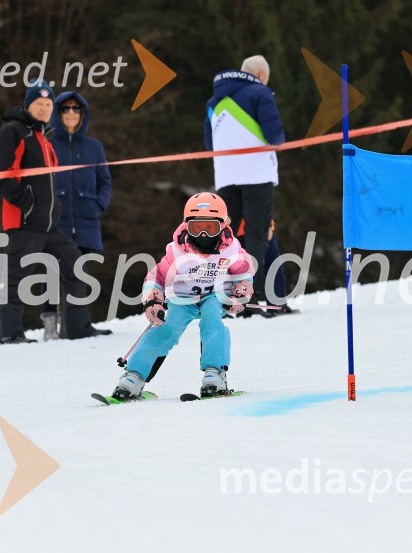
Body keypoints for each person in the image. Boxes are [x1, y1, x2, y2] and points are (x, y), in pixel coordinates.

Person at [0, 80, 108, 344]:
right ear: (28, 105)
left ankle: (78, 327)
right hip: (23, 222)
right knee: (16, 277)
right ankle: (10, 333)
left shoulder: (43, 137)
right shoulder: (14, 131)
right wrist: (29, 204)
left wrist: (49, 210)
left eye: (47, 104)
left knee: (75, 265)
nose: (44, 109)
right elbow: (2, 177)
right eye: (38, 104)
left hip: (48, 226)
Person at [110, 192, 254, 400]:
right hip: (182, 298)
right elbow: (156, 276)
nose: (203, 234)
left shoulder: (232, 250)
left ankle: (215, 374)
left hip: (214, 296)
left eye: (210, 227)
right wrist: (153, 301)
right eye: (197, 227)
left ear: (222, 225)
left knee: (212, 320)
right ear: (187, 226)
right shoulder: (177, 251)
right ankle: (133, 377)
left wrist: (239, 294)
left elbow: (245, 275)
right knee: (166, 328)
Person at [205, 54, 285, 314]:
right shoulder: (259, 94)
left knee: (226, 239)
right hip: (257, 175)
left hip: (226, 177)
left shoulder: (214, 101)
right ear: (261, 75)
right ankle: (251, 301)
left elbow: (209, 144)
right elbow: (275, 135)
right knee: (256, 238)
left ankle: (226, 300)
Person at [40, 91, 113, 340]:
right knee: (50, 270)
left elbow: (105, 182)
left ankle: (76, 325)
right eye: (65, 108)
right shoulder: (47, 143)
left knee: (80, 273)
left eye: (76, 108)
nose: (71, 113)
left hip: (85, 221)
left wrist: (97, 205)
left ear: (83, 114)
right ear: (58, 114)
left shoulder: (94, 147)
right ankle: (51, 325)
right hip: (55, 221)